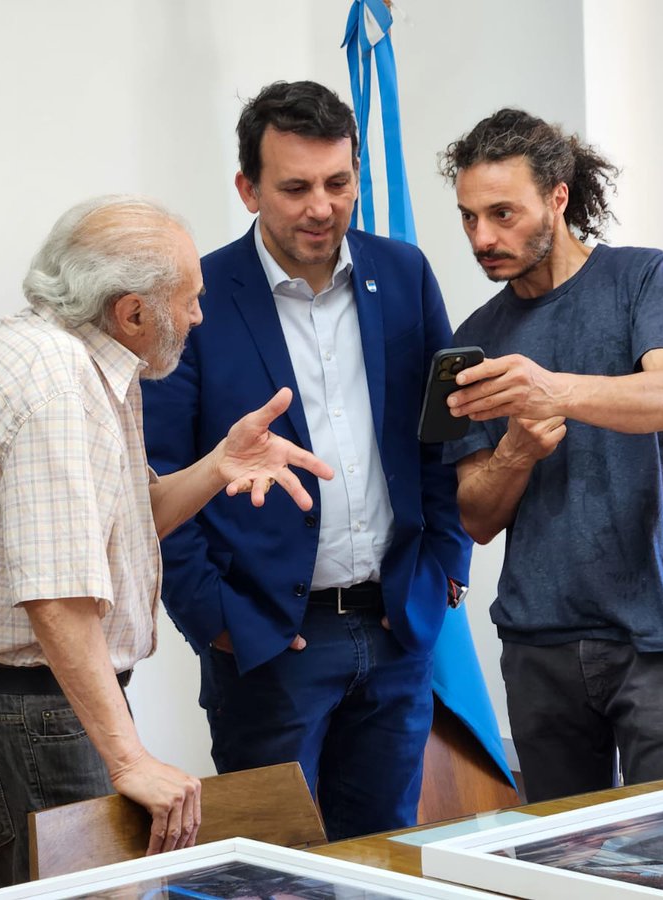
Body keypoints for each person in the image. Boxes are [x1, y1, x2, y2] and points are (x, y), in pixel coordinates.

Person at [0, 195, 332, 890]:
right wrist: (128, 758)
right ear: (132, 312)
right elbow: (57, 599)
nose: (200, 317)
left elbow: (124, 524)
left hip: (34, 703)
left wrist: (217, 464)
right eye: (190, 300)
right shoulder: (57, 388)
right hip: (31, 706)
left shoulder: (69, 352)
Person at [141, 81, 471, 841]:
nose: (321, 207)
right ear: (248, 188)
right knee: (272, 869)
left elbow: (441, 434)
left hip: (396, 627)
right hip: (270, 641)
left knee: (386, 855)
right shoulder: (200, 294)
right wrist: (216, 621)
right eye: (294, 188)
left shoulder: (405, 274)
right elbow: (158, 475)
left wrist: (445, 569)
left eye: (338, 183)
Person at [438, 109, 663, 803]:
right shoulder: (474, 338)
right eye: (469, 217)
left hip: (659, 636)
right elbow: (473, 516)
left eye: (503, 213)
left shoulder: (641, 277)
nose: (483, 237)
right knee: (563, 868)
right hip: (540, 644)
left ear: (557, 197)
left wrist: (552, 389)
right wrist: (516, 452)